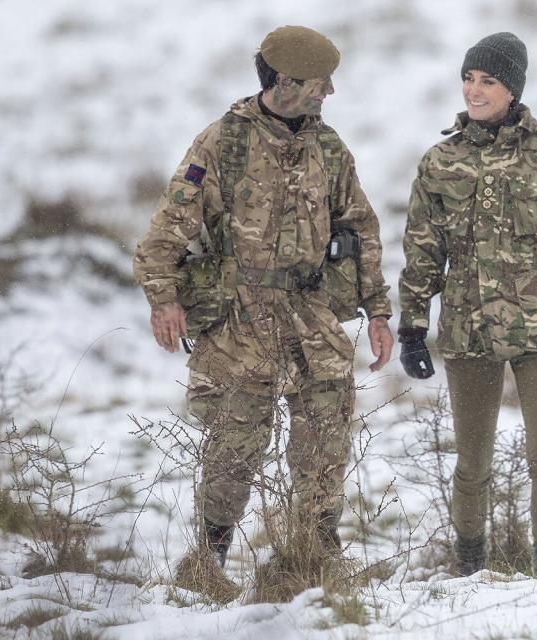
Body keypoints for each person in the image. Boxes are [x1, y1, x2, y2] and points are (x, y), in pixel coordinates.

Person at [133, 26, 394, 568]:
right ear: (284, 81)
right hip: (238, 319)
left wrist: (378, 312)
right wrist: (163, 298)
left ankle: (315, 554)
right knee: (234, 446)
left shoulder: (328, 147)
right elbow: (167, 231)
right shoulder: (221, 143)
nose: (330, 94)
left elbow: (361, 229)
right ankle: (209, 556)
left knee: (325, 438)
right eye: (322, 84)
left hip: (311, 317)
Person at [397, 32, 537, 581]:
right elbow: (421, 250)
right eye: (468, 78)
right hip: (467, 330)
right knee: (472, 463)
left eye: (487, 81)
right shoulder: (439, 162)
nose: (474, 90)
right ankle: (469, 569)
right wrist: (412, 326)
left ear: (512, 89)